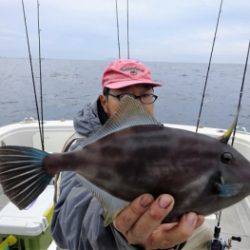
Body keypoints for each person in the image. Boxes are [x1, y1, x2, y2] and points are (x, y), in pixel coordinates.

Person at [51, 59, 212, 250]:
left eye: (145, 95)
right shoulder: (84, 149)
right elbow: (68, 222)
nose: (137, 105)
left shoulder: (164, 145)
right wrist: (115, 231)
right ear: (104, 101)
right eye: (124, 96)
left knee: (204, 232)